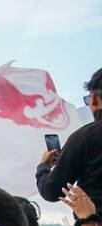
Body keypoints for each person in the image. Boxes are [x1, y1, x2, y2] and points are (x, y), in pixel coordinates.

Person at [36, 68, 102, 210]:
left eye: (87, 99)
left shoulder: (84, 137)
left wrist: (43, 167)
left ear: (95, 99)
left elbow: (52, 191)